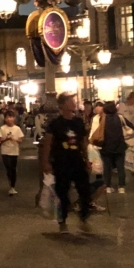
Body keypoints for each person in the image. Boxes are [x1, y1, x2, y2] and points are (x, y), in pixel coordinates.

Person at [41, 93, 92, 233]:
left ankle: (83, 218)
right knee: (62, 192)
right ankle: (62, 221)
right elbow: (48, 144)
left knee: (85, 190)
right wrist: (46, 162)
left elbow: (83, 142)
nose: (73, 103)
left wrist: (87, 160)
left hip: (77, 160)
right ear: (62, 105)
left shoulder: (78, 122)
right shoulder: (55, 124)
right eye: (70, 101)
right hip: (61, 162)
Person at [92, 101, 131, 194]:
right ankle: (121, 187)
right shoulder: (120, 117)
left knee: (107, 167)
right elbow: (131, 126)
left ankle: (108, 186)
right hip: (119, 146)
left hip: (106, 147)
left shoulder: (103, 118)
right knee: (120, 167)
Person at [0, 112, 24, 196]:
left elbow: (20, 140)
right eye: (7, 117)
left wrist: (14, 139)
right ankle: (10, 183)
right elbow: (0, 140)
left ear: (14, 118)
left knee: (13, 168)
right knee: (8, 167)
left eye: (11, 117)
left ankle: (12, 186)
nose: (9, 119)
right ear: (5, 119)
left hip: (14, 151)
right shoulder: (2, 128)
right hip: (5, 150)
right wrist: (6, 139)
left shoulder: (17, 128)